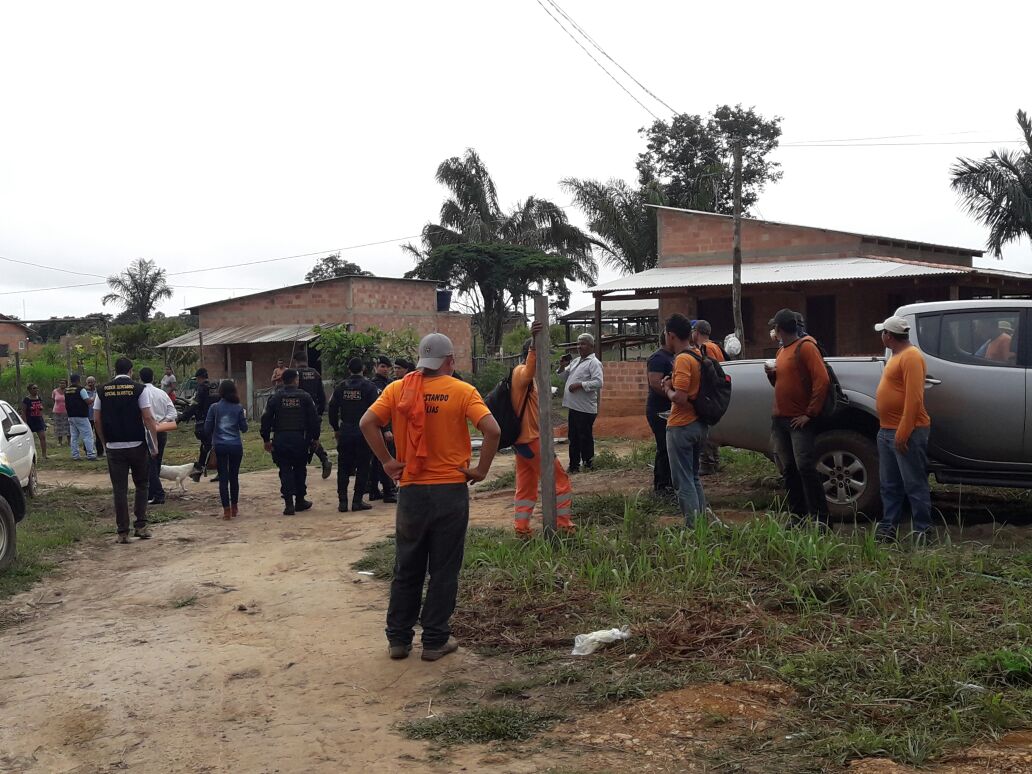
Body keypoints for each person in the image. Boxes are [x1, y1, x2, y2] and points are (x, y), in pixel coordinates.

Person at [360, 333, 500, 662]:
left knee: (407, 566)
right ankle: (435, 640)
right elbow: (492, 430)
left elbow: (367, 422)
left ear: (423, 361)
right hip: (449, 490)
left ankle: (398, 639)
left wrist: (387, 461)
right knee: (444, 569)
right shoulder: (463, 391)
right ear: (450, 361)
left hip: (411, 491)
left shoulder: (397, 389)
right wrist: (480, 470)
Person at [764, 308, 831, 526]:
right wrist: (772, 376)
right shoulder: (782, 352)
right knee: (789, 469)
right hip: (781, 419)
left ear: (780, 329)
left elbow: (822, 381)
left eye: (775, 327)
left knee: (806, 469)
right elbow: (783, 384)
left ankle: (821, 519)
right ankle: (798, 516)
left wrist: (809, 414)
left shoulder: (806, 347)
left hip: (797, 421)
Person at [511, 321, 575, 537]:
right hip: (530, 440)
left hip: (524, 442)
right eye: (543, 355)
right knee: (560, 480)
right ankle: (564, 527)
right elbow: (529, 370)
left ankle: (522, 529)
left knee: (526, 487)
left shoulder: (529, 378)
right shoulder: (521, 373)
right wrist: (534, 348)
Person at [874, 316, 933, 542]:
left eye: (883, 333)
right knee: (889, 484)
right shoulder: (896, 355)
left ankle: (922, 531)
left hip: (907, 431)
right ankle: (889, 527)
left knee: (914, 483)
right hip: (887, 429)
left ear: (888, 335)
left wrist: (904, 430)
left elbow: (914, 398)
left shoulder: (911, 357)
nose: (881, 336)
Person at [93, 357, 159, 544]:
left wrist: (105, 442)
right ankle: (141, 526)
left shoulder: (101, 390)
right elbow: (148, 418)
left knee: (119, 490)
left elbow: (96, 420)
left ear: (115, 370)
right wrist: (154, 444)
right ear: (131, 370)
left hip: (114, 447)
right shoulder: (140, 389)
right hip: (137, 445)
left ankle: (122, 532)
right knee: (142, 485)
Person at [661, 314, 708, 526]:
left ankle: (693, 527)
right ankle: (701, 524)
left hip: (681, 426)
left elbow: (679, 397)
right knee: (694, 477)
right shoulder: (698, 354)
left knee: (683, 481)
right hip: (699, 423)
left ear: (671, 335)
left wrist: (667, 389)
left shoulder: (682, 359)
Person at [260, 368, 320, 515]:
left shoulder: (275, 397)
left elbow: (266, 419)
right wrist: (315, 438)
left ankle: (289, 504)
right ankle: (300, 500)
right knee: (300, 469)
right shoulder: (305, 397)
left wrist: (266, 439)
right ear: (295, 380)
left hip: (281, 439)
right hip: (300, 439)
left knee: (285, 470)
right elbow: (314, 419)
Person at [328, 357, 378, 512]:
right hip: (364, 432)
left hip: (346, 431)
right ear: (363, 369)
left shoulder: (341, 387)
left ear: (349, 369)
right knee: (363, 466)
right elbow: (377, 409)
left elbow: (332, 409)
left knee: (343, 467)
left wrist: (336, 428)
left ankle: (342, 502)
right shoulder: (369, 387)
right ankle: (357, 501)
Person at [558, 333, 604, 473]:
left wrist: (580, 385)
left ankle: (589, 465)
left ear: (591, 346)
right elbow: (564, 376)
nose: (580, 346)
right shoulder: (576, 361)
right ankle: (574, 466)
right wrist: (561, 366)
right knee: (573, 437)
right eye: (578, 343)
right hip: (573, 406)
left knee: (584, 437)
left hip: (585, 408)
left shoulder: (594, 363)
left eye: (583, 343)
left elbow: (598, 382)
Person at [205, 379, 249, 520]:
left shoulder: (214, 408)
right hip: (236, 446)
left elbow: (207, 429)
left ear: (221, 392)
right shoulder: (238, 408)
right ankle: (235, 506)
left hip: (220, 446)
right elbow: (245, 429)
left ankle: (226, 511)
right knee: (234, 477)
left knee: (223, 478)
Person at [139, 367, 178, 506]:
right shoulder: (161, 393)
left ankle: (158, 493)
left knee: (149, 465)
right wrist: (162, 422)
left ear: (140, 378)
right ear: (154, 377)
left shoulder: (140, 393)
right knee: (156, 463)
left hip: (146, 432)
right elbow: (173, 413)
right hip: (161, 431)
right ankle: (152, 492)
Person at [692, 320, 726, 476]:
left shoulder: (707, 348)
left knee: (707, 431)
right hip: (717, 392)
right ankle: (714, 462)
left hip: (711, 394)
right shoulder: (715, 346)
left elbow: (710, 371)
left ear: (697, 332)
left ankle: (707, 464)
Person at [293, 353, 332, 479]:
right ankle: (324, 459)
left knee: (302, 440)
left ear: (296, 362)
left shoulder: (295, 374)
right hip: (314, 412)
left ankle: (301, 468)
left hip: (299, 413)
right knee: (311, 438)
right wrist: (318, 413)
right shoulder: (315, 373)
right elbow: (322, 396)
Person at [645, 330, 676, 493]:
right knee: (664, 447)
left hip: (669, 409)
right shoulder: (658, 358)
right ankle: (661, 486)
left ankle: (668, 482)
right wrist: (676, 395)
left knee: (669, 447)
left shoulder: (672, 357)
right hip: (658, 410)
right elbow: (655, 383)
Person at [367, 355, 398, 503]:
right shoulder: (374, 385)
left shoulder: (391, 384)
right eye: (382, 366)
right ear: (375, 368)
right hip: (381, 427)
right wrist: (386, 429)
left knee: (378, 459)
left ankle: (374, 490)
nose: (385, 369)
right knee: (385, 458)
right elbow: (378, 410)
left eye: (387, 367)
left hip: (391, 425)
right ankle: (388, 491)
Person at [182, 368, 218, 483]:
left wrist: (183, 416)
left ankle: (199, 471)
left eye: (197, 379)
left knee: (207, 447)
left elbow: (195, 404)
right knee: (208, 446)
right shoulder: (214, 388)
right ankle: (198, 472)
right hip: (216, 421)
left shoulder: (201, 388)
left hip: (204, 422)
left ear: (199, 378)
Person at [65, 374, 97, 462]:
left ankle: (75, 455)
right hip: (81, 416)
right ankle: (91, 454)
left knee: (74, 436)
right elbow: (88, 401)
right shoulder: (81, 389)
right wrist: (94, 397)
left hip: (71, 416)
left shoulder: (67, 390)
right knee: (88, 435)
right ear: (78, 380)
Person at [22, 384, 47, 460]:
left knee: (42, 437)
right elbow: (23, 411)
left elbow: (41, 409)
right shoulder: (26, 400)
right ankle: (28, 456)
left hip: (38, 420)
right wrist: (25, 423)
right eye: (34, 388)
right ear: (29, 390)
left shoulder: (39, 398)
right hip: (30, 421)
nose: (36, 389)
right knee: (29, 439)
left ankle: (44, 455)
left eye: (37, 388)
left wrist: (43, 420)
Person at [85, 376, 104, 458]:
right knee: (88, 435)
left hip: (97, 416)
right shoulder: (84, 392)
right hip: (87, 416)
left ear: (94, 382)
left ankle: (100, 452)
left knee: (98, 434)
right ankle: (87, 451)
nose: (90, 384)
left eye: (91, 382)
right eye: (88, 382)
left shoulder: (99, 391)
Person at [52, 379, 69, 447]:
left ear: (66, 384)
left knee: (68, 427)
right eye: (61, 383)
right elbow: (54, 399)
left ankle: (69, 442)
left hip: (67, 411)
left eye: (64, 383)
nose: (62, 384)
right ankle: (59, 442)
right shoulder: (55, 391)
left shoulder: (68, 391)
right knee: (58, 427)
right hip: (57, 411)